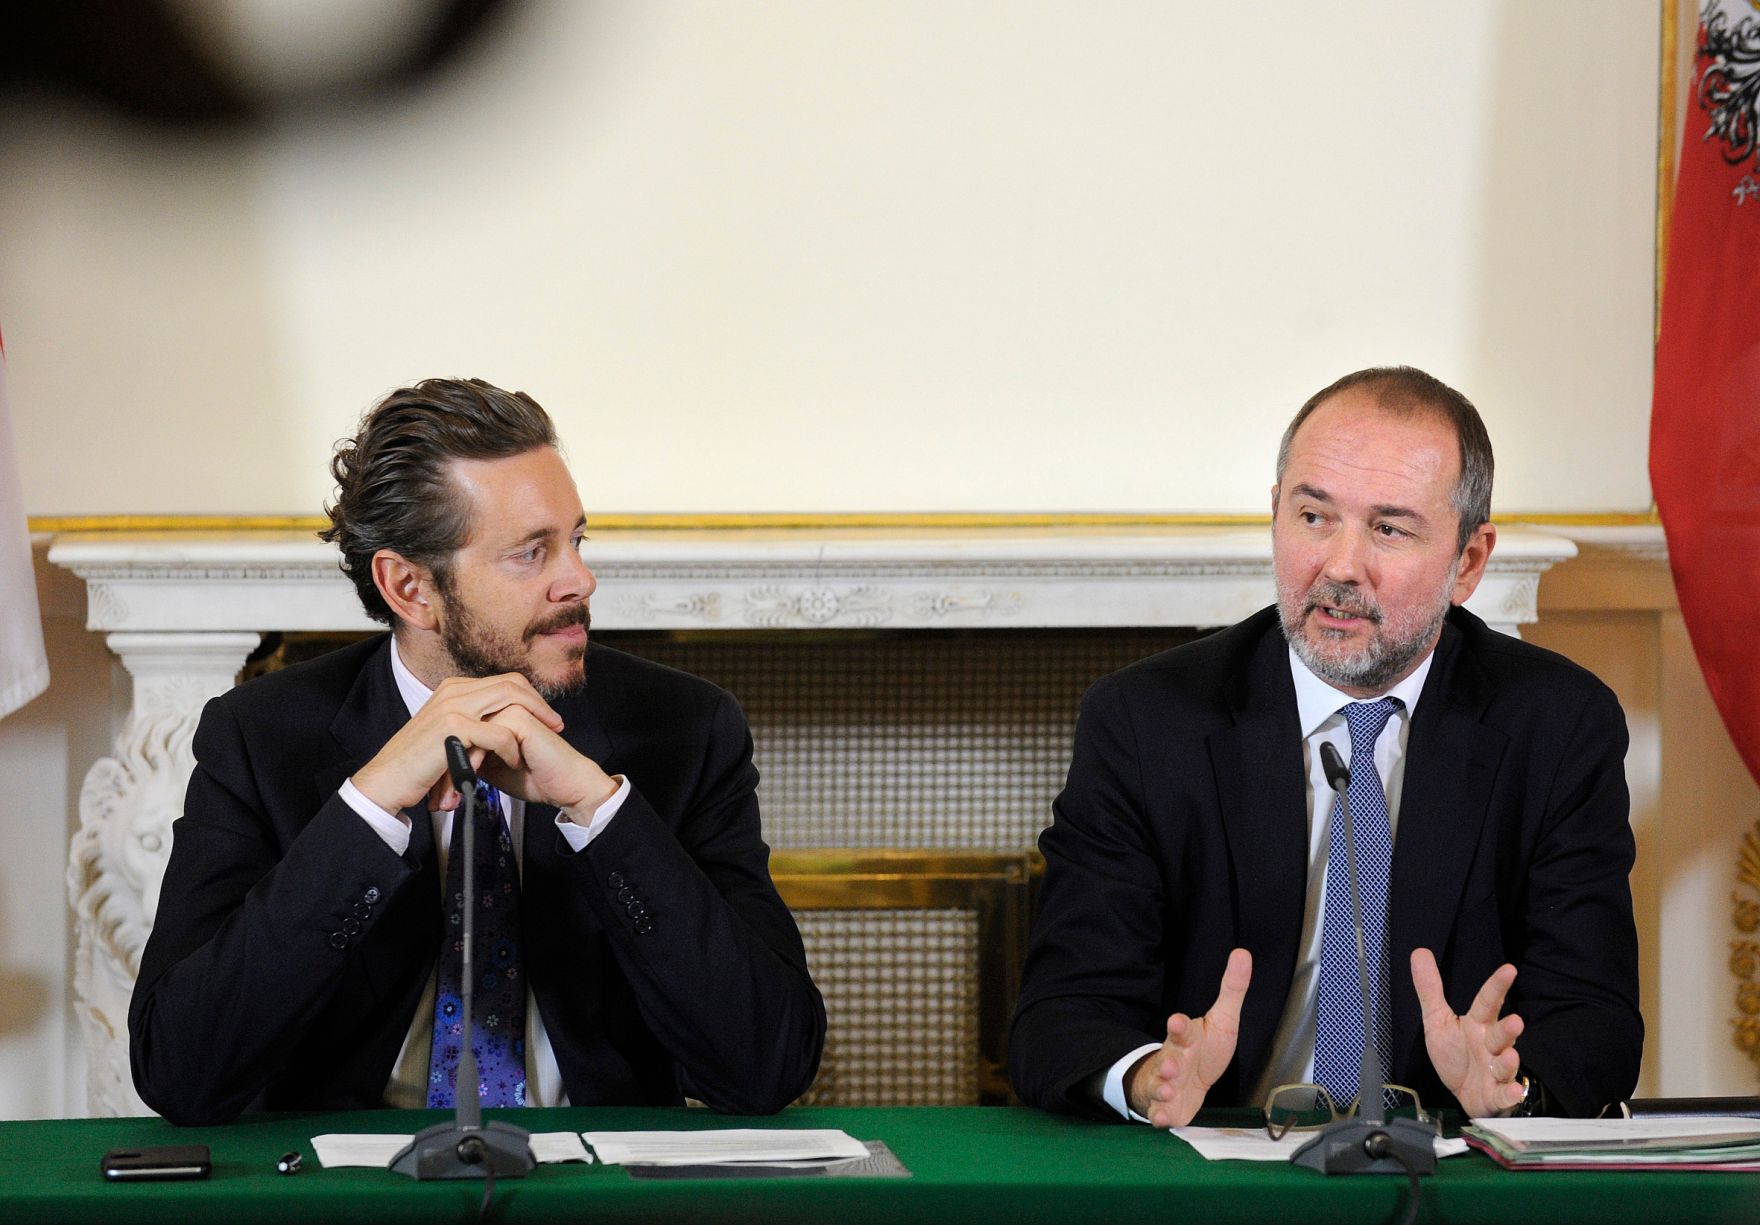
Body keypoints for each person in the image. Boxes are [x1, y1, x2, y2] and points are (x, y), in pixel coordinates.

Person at [130, 377, 825, 1125]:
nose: (580, 579)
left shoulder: (685, 729)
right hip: (357, 1190)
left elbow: (768, 1064)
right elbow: (180, 1071)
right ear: (408, 587)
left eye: (576, 539)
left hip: (593, 1188)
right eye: (532, 553)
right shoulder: (261, 736)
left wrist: (599, 810)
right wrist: (368, 808)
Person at [1009, 366, 1641, 1127]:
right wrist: (1150, 1075)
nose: (1340, 566)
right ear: (1275, 511)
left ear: (1468, 562)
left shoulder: (1558, 726)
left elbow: (1596, 1018)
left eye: (1389, 528)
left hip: (1443, 1171)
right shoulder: (1148, 722)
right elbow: (1061, 1013)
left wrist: (1516, 1090)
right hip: (1220, 1167)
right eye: (1313, 516)